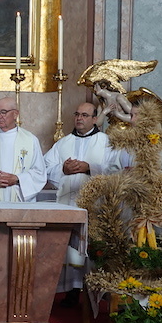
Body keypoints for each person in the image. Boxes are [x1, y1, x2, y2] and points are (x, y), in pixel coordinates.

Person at [43, 101, 121, 304]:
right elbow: (45, 166)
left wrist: (89, 168)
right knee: (68, 247)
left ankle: (95, 290)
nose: (79, 118)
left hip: (94, 205)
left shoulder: (106, 142)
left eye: (85, 115)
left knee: (93, 244)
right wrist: (63, 169)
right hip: (68, 204)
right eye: (77, 114)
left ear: (95, 119)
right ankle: (71, 289)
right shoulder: (63, 142)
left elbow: (115, 169)